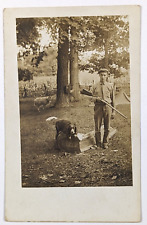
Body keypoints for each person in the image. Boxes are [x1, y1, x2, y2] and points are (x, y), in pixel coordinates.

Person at [93, 68, 115, 149]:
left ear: (107, 76)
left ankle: (105, 142)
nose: (103, 77)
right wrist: (96, 99)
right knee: (97, 126)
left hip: (108, 107)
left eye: (104, 75)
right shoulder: (95, 86)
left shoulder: (110, 86)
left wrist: (113, 112)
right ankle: (98, 143)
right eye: (101, 75)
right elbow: (91, 98)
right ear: (99, 75)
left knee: (107, 126)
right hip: (98, 107)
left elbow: (113, 99)